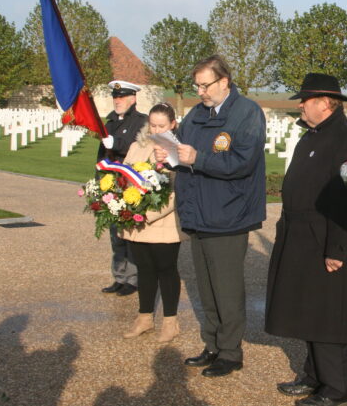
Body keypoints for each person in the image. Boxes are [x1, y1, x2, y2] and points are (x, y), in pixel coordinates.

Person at [154, 55, 266, 378]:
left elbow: (242, 162)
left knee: (227, 288)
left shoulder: (247, 113)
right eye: (198, 86)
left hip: (229, 215)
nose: (201, 92)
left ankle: (231, 352)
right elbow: (184, 152)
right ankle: (213, 344)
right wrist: (170, 157)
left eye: (205, 85)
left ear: (224, 82)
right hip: (199, 214)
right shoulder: (197, 115)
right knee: (205, 286)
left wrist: (197, 157)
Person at [265, 73, 347, 406]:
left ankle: (336, 389)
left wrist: (337, 248)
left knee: (330, 317)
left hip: (328, 237)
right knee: (309, 311)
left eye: (306, 99)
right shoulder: (313, 135)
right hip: (300, 237)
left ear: (326, 103)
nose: (300, 104)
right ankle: (313, 376)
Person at [120, 102, 186, 343]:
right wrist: (124, 209)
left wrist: (146, 214)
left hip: (163, 223)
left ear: (172, 125)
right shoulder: (136, 146)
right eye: (153, 125)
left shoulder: (177, 151)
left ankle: (171, 322)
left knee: (166, 270)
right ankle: (144, 318)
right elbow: (124, 179)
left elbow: (176, 191)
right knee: (144, 270)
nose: (156, 130)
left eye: (161, 125)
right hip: (136, 222)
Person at [100, 80, 148, 297]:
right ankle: (119, 276)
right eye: (115, 97)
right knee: (115, 236)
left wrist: (114, 143)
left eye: (122, 97)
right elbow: (102, 156)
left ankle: (134, 278)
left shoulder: (141, 122)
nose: (117, 101)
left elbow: (132, 146)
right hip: (111, 185)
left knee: (130, 234)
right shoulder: (108, 122)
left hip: (130, 184)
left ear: (133, 98)